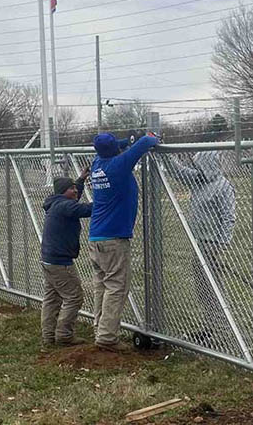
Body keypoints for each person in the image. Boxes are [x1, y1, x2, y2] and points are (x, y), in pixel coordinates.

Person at [89, 131, 159, 350]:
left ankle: (100, 329)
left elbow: (117, 146)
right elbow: (147, 142)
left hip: (96, 237)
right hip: (114, 239)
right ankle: (107, 337)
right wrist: (150, 134)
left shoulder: (97, 164)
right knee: (116, 287)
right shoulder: (119, 165)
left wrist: (127, 141)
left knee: (102, 285)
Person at [165, 151, 236, 341]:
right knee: (203, 288)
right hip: (198, 243)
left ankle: (221, 331)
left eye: (199, 166)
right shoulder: (198, 180)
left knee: (214, 287)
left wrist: (221, 245)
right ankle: (210, 327)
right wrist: (163, 152)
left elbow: (228, 218)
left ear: (209, 165)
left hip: (212, 244)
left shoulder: (223, 186)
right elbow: (177, 171)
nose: (196, 169)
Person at [40, 168, 91, 348]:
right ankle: (64, 335)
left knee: (52, 299)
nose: (75, 192)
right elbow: (86, 209)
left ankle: (48, 336)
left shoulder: (57, 203)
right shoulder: (65, 206)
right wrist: (108, 198)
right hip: (60, 263)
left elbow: (73, 195)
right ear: (63, 192)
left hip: (49, 259)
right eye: (72, 189)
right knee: (74, 297)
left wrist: (80, 180)